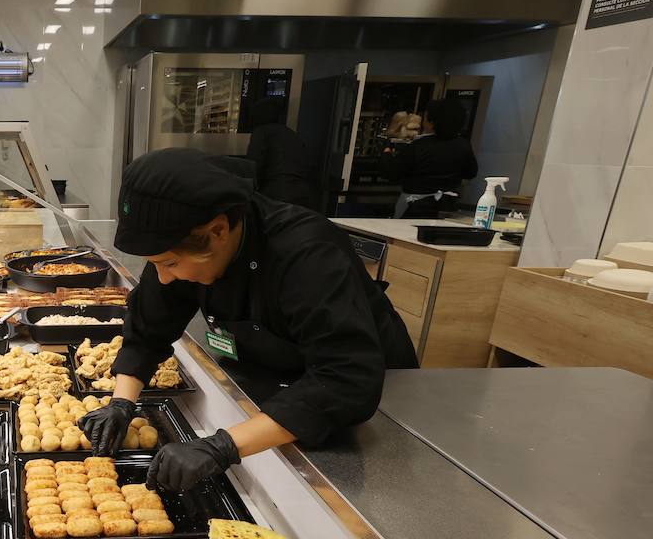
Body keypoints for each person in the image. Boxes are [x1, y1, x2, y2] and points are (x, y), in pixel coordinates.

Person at [78, 149, 417, 491]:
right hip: (288, 378)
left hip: (378, 398)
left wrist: (223, 446)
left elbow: (344, 379)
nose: (163, 277)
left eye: (170, 264)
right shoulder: (184, 246)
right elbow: (150, 325)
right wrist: (122, 402)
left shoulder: (307, 253)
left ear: (218, 231)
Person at [382, 97, 478, 218]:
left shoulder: (419, 146)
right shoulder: (463, 145)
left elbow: (391, 172)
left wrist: (386, 151)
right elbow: (470, 173)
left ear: (432, 123)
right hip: (447, 208)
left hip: (415, 208)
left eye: (425, 118)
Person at [244, 97, 317, 211]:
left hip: (276, 193)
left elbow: (254, 165)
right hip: (304, 193)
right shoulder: (291, 134)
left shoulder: (261, 132)